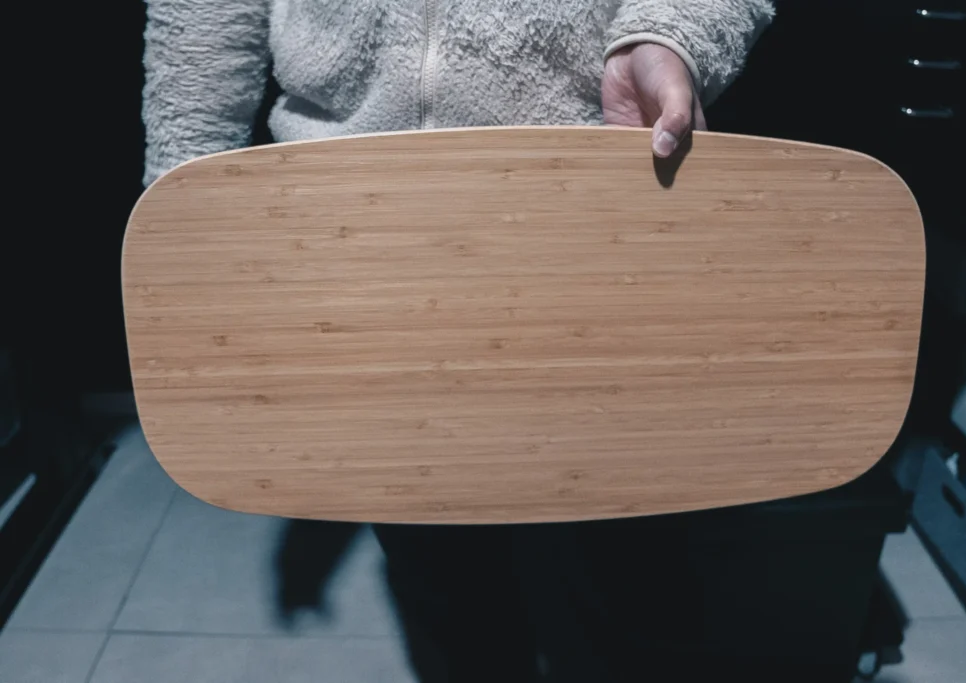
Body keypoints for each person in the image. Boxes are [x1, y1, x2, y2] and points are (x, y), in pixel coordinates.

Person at [142, 1, 774, 680]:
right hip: (355, 244)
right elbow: (204, 16)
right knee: (443, 585)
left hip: (591, 223)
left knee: (625, 584)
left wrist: (668, 34)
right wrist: (184, 202)